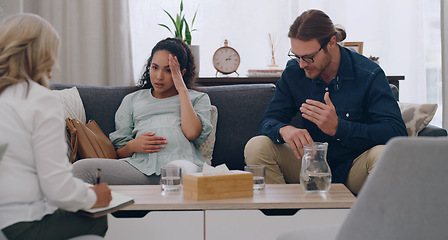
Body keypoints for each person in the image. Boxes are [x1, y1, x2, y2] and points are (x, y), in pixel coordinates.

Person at [244, 9, 407, 195]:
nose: (302, 64)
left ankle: (368, 222)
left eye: (308, 57)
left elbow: (396, 133)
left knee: (382, 155)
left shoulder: (369, 74)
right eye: (296, 56)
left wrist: (339, 127)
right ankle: (285, 219)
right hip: (308, 164)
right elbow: (268, 121)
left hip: (354, 167)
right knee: (257, 146)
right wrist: (283, 129)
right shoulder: (294, 72)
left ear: (331, 42)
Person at [0, 14, 112, 240]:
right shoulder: (40, 100)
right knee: (99, 220)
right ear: (41, 54)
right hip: (20, 225)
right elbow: (57, 188)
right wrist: (94, 197)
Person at [72, 38, 212, 185]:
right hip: (140, 168)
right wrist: (133, 146)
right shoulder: (132, 100)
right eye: (155, 67)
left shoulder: (198, 98)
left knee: (174, 171)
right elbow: (118, 151)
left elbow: (191, 133)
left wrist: (182, 89)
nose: (159, 76)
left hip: (183, 166)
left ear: (181, 73)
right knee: (80, 169)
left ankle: (163, 195)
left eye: (168, 70)